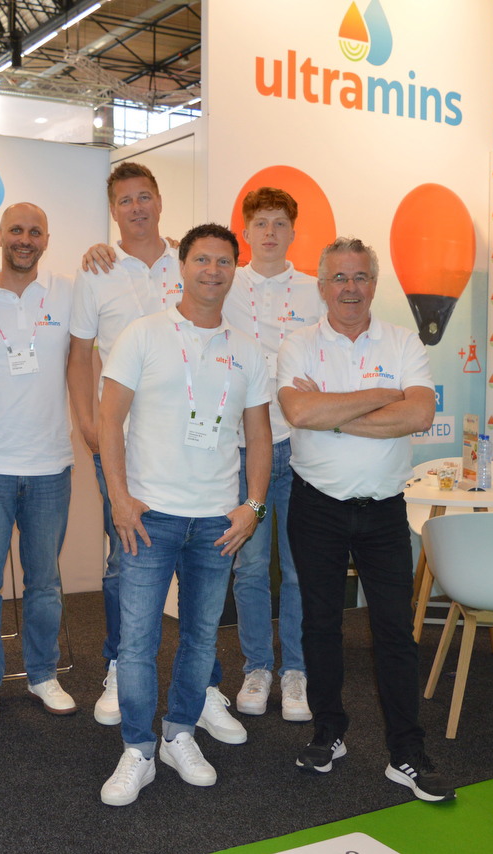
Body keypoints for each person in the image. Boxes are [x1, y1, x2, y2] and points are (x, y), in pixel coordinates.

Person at [96, 223, 272, 806]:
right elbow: (108, 420)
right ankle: (137, 749)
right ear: (182, 266)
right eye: (202, 260)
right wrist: (119, 497)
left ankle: (178, 734)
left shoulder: (247, 350)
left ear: (234, 271)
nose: (212, 271)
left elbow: (259, 435)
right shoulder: (143, 334)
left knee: (199, 638)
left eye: (224, 262)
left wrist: (253, 506)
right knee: (137, 642)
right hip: (149, 516)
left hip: (217, 523)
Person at [72, 162, 249, 740]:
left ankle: (204, 688)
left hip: (194, 451)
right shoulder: (97, 270)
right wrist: (89, 426)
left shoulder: (191, 261)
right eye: (125, 200)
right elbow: (79, 355)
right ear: (113, 210)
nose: (136, 208)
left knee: (202, 581)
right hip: (123, 443)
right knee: (124, 560)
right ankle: (119, 668)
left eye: (144, 197)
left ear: (159, 201)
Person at [276, 236, 455, 802]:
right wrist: (381, 395)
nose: (349, 288)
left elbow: (419, 413)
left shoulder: (404, 341)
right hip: (316, 507)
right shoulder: (299, 344)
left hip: (382, 511)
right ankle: (328, 731)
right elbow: (298, 410)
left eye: (360, 277)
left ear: (374, 284)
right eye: (339, 278)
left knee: (395, 631)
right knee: (320, 625)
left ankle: (406, 751)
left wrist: (332, 411)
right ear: (322, 286)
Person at [0, 203, 78, 719]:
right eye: (16, 231)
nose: (24, 239)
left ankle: (43, 675)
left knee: (45, 582)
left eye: (34, 231)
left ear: (46, 239)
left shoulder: (68, 291)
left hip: (51, 464)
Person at [210, 188, 323, 723]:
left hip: (301, 449)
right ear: (246, 231)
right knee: (251, 567)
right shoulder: (225, 282)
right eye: (261, 223)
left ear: (293, 232)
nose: (270, 232)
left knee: (298, 569)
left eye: (280, 223)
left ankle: (296, 670)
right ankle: (257, 667)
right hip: (241, 449)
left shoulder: (315, 290)